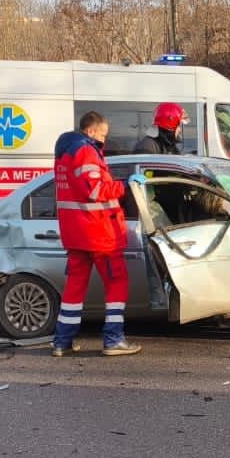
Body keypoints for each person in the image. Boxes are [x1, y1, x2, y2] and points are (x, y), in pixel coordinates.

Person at [52, 111, 139, 357]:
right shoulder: (85, 151)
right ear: (91, 131)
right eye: (102, 135)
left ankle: (62, 342)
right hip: (99, 232)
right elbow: (95, 190)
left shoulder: (65, 153)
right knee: (116, 282)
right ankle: (113, 339)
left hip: (76, 232)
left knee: (74, 288)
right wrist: (126, 186)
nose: (104, 141)